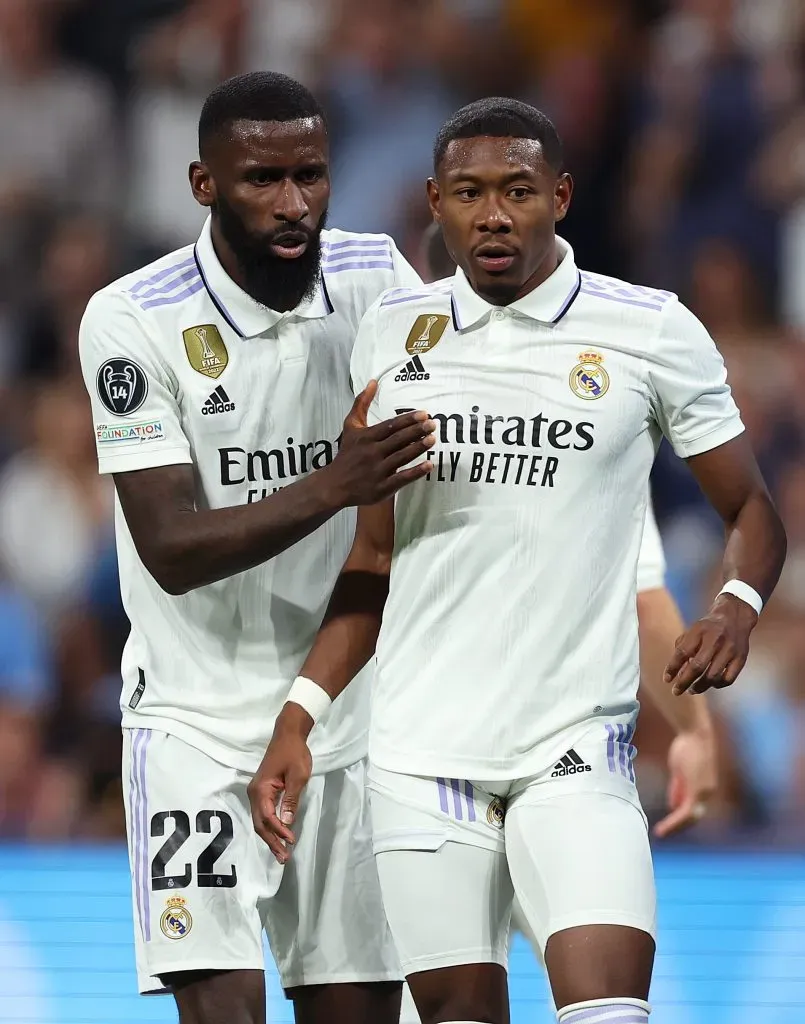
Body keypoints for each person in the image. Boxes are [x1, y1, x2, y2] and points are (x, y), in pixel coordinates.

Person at [249, 98, 787, 1024]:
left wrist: (735, 602)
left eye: (517, 191)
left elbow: (751, 509)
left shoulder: (648, 328)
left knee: (609, 1009)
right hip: (420, 757)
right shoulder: (392, 336)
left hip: (571, 745)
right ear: (436, 201)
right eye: (468, 192)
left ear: (562, 197)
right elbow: (372, 560)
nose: (492, 214)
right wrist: (299, 717)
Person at [78, 71, 436, 1024]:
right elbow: (171, 547)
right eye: (261, 180)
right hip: (192, 717)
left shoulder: (377, 282)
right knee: (223, 1011)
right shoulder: (132, 318)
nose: (293, 204)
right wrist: (336, 481)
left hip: (345, 722)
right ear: (203, 183)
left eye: (311, 176)